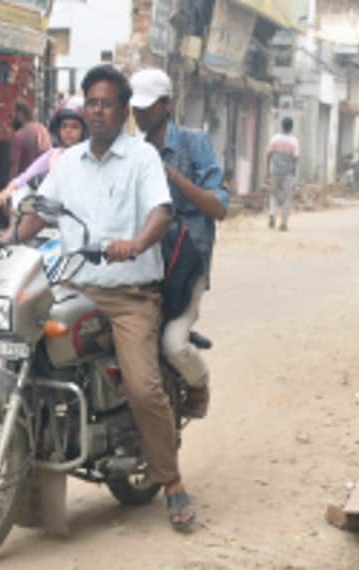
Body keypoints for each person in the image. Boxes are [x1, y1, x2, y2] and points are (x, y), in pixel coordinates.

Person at [16, 65, 194, 532]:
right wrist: (10, 234)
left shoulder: (141, 159)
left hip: (130, 295)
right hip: (73, 285)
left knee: (142, 386)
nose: (97, 110)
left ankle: (172, 482)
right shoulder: (68, 162)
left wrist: (135, 242)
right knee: (23, 347)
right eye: (90, 102)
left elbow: (161, 210)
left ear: (123, 110)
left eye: (106, 103)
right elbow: (39, 210)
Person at [130, 68, 226, 420]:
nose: (139, 114)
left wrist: (168, 173)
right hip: (143, 263)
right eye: (135, 107)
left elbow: (219, 207)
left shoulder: (192, 143)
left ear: (167, 105)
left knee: (173, 343)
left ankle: (198, 382)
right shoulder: (133, 150)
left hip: (186, 263)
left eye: (147, 107)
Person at [0, 98, 85, 257]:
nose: (69, 131)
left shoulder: (90, 160)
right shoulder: (54, 155)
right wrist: (7, 192)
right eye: (65, 126)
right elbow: (25, 177)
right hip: (54, 228)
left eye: (74, 127)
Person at [266, 117, 301, 230]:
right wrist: (294, 170)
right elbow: (295, 158)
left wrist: (267, 170)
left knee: (273, 195)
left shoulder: (275, 139)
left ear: (282, 126)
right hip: (288, 173)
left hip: (275, 171)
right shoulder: (293, 141)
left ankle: (272, 213)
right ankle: (283, 223)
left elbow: (269, 154)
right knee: (287, 198)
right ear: (291, 127)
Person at [9, 100, 52, 180]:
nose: (11, 120)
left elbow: (14, 166)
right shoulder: (42, 129)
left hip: (26, 184)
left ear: (20, 114)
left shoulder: (20, 135)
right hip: (44, 181)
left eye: (12, 116)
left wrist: (10, 188)